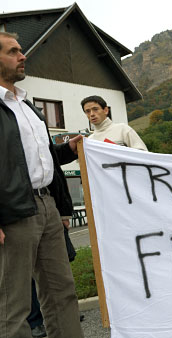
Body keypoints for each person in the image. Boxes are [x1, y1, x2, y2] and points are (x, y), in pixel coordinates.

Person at [0, 31, 84, 337]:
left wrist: (67, 150)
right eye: (13, 51)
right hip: (12, 211)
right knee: (12, 306)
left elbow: (38, 159)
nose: (23, 56)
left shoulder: (27, 106)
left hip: (47, 205)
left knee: (62, 292)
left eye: (21, 50)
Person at [81, 95, 148, 150]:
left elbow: (143, 154)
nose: (92, 114)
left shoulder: (123, 129)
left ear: (106, 110)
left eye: (95, 109)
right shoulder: (90, 140)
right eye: (87, 111)